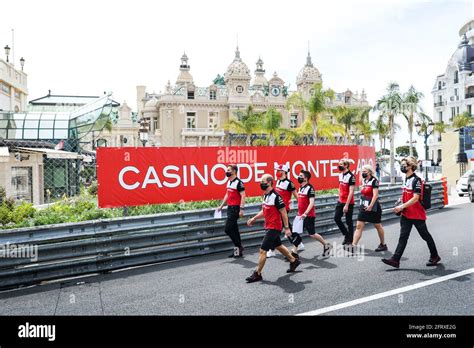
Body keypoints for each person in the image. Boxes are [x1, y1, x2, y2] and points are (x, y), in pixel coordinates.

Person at [382, 156, 441, 269]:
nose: (402, 167)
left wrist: (401, 207)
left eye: (404, 165)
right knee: (403, 237)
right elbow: (407, 194)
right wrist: (400, 200)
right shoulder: (406, 179)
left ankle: (435, 256)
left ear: (411, 167)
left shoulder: (417, 180)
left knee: (425, 236)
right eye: (402, 165)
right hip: (406, 214)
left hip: (417, 214)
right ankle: (395, 260)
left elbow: (415, 198)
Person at [246, 174, 301, 283]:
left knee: (263, 250)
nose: (261, 184)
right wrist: (254, 218)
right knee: (278, 245)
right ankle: (293, 260)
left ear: (270, 183)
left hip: (275, 227)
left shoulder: (276, 197)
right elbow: (264, 210)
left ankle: (257, 273)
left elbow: (284, 213)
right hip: (268, 225)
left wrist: (286, 228)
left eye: (263, 182)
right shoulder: (265, 195)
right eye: (261, 181)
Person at [293, 169, 333, 258]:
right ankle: (294, 252)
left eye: (301, 176)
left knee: (310, 234)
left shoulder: (310, 188)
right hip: (300, 215)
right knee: (298, 232)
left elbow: (311, 203)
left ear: (306, 178)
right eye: (299, 176)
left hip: (308, 215)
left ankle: (294, 253)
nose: (298, 177)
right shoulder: (300, 187)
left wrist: (305, 213)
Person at [266, 164, 303, 258]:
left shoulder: (289, 183)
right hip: (276, 208)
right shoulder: (277, 181)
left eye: (279, 170)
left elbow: (296, 195)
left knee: (275, 229)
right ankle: (298, 243)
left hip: (284, 209)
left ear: (284, 172)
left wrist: (302, 207)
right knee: (287, 228)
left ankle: (272, 249)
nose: (277, 172)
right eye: (277, 170)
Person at [351, 165, 387, 252]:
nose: (363, 173)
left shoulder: (374, 181)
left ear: (370, 172)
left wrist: (370, 206)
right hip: (363, 205)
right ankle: (353, 245)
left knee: (377, 225)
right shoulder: (363, 181)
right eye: (362, 171)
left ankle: (383, 244)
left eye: (365, 172)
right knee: (359, 226)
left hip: (373, 206)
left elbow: (375, 195)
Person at [217, 164, 246, 258]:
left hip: (235, 208)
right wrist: (221, 206)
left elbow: (243, 195)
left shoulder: (239, 182)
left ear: (234, 171)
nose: (227, 172)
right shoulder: (229, 182)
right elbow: (227, 194)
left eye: (229, 170)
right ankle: (238, 252)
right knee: (234, 230)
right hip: (230, 207)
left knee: (228, 229)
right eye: (227, 170)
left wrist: (241, 209)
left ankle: (239, 246)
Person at [334, 159, 356, 246]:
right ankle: (346, 235)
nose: (339, 166)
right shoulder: (340, 175)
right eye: (339, 164)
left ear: (346, 165)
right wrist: (339, 194)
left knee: (348, 221)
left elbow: (351, 192)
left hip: (349, 202)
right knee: (336, 218)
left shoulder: (351, 176)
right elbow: (340, 186)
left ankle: (350, 240)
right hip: (340, 200)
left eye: (341, 164)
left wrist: (346, 205)